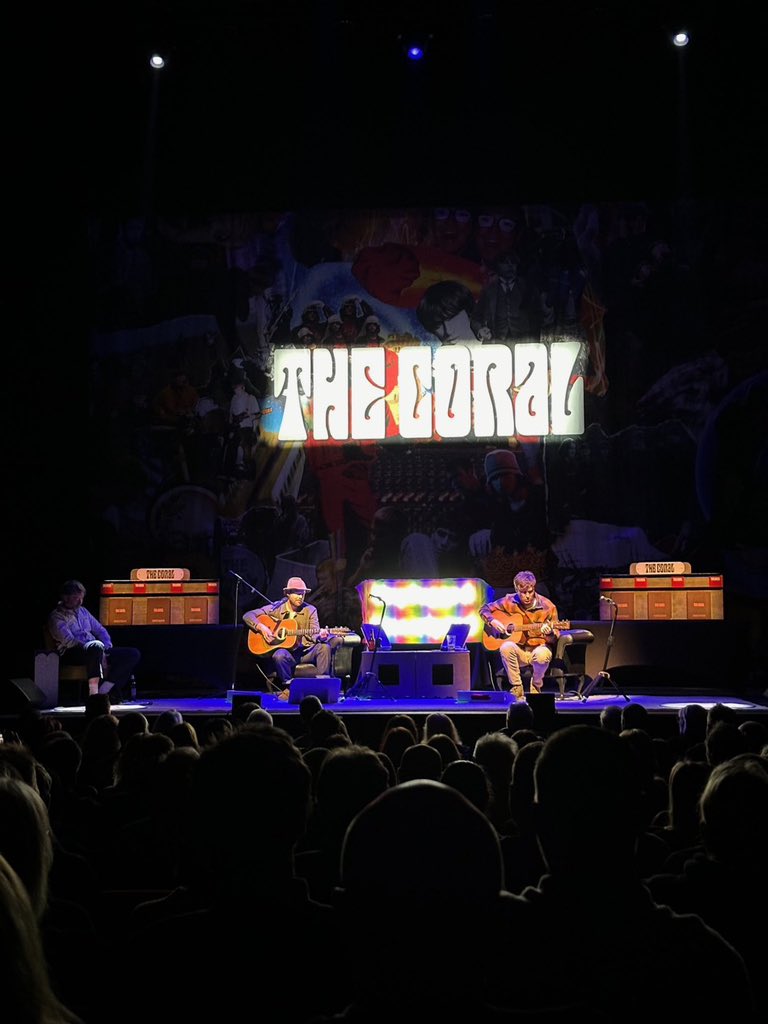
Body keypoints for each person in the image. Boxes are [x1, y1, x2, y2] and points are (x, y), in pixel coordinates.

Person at [242, 576, 344, 699]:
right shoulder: (276, 608)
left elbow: (314, 633)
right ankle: (288, 687)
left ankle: (322, 686)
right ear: (288, 594)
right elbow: (248, 615)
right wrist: (262, 628)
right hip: (289, 655)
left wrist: (320, 636)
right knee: (279, 655)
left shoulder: (310, 610)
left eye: (303, 593)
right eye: (296, 593)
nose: (300, 597)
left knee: (324, 647)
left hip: (306, 652)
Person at [45, 579, 141, 701]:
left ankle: (104, 691)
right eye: (76, 598)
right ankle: (93, 693)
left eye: (82, 598)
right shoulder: (56, 616)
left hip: (96, 650)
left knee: (132, 654)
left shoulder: (83, 611)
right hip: (73, 652)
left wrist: (106, 647)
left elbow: (100, 630)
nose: (80, 601)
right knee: (95, 646)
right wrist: (95, 648)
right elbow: (69, 641)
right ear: (65, 597)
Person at [478, 569, 561, 701]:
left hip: (539, 648)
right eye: (523, 593)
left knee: (542, 655)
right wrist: (493, 621)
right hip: (519, 651)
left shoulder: (548, 606)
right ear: (517, 589)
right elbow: (484, 609)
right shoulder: (509, 601)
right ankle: (517, 687)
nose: (527, 596)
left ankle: (536, 685)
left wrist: (550, 632)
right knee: (506, 646)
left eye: (530, 592)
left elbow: (554, 638)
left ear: (534, 588)